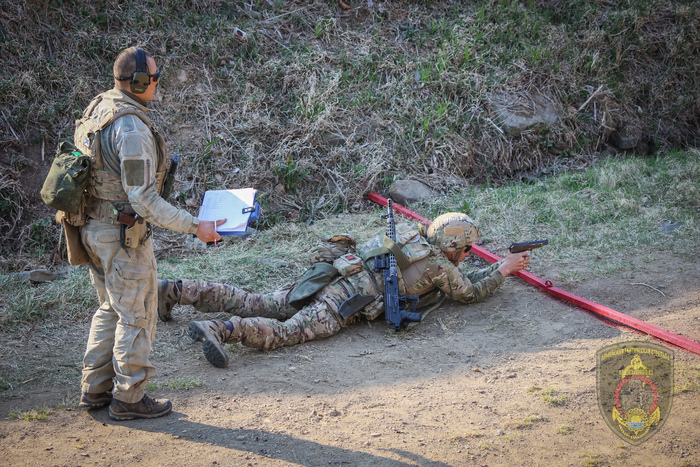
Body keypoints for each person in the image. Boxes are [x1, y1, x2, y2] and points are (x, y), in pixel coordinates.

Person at [158, 213, 531, 368]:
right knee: (289, 331)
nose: (466, 256)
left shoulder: (406, 233)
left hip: (328, 275)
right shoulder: (441, 267)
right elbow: (469, 293)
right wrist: (503, 269)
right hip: (346, 300)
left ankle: (177, 289)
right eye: (467, 251)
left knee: (255, 299)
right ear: (457, 250)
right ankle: (221, 330)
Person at [74, 47, 224, 420]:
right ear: (138, 82)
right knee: (137, 315)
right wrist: (195, 227)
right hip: (121, 236)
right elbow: (142, 199)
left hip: (92, 230)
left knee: (109, 308)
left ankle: (95, 389)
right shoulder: (132, 130)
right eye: (154, 78)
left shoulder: (99, 107)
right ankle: (129, 397)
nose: (157, 83)